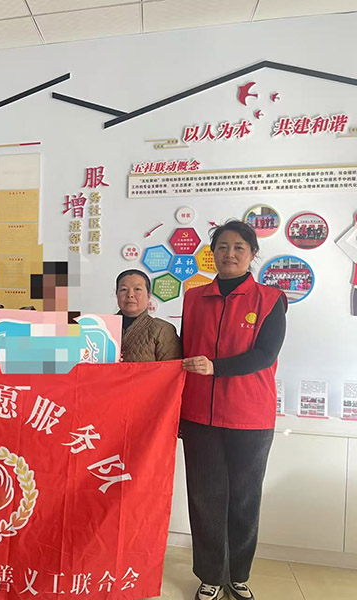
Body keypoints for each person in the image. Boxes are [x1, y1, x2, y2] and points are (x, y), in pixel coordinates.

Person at [181, 221, 287, 600]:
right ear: (213, 253)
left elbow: (265, 355)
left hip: (249, 416)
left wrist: (216, 367)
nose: (230, 254)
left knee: (244, 498)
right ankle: (211, 575)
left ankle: (238, 574)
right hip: (199, 415)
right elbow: (183, 349)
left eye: (239, 247)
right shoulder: (193, 297)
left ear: (252, 254)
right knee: (204, 499)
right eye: (222, 247)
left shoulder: (270, 299)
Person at [115, 269, 181, 362]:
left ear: (148, 295)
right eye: (123, 289)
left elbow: (172, 368)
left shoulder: (162, 329)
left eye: (137, 289)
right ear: (117, 294)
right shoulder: (103, 326)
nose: (130, 295)